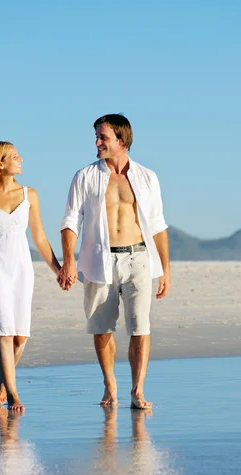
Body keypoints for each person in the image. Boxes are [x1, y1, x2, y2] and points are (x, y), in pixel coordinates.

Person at [58, 114, 170, 409]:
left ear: (121, 141)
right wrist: (68, 261)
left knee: (139, 326)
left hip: (139, 258)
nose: (97, 143)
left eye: (102, 137)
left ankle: (138, 390)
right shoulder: (85, 176)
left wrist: (166, 270)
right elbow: (70, 221)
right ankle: (110, 385)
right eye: (96, 137)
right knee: (101, 327)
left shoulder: (147, 177)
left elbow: (158, 225)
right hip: (99, 260)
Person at [0, 141, 62, 411]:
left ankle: (3, 379)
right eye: (14, 156)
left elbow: (40, 238)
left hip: (21, 268)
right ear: (0, 163)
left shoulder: (29, 194)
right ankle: (14, 395)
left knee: (21, 336)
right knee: (4, 332)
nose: (20, 159)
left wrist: (58, 269)